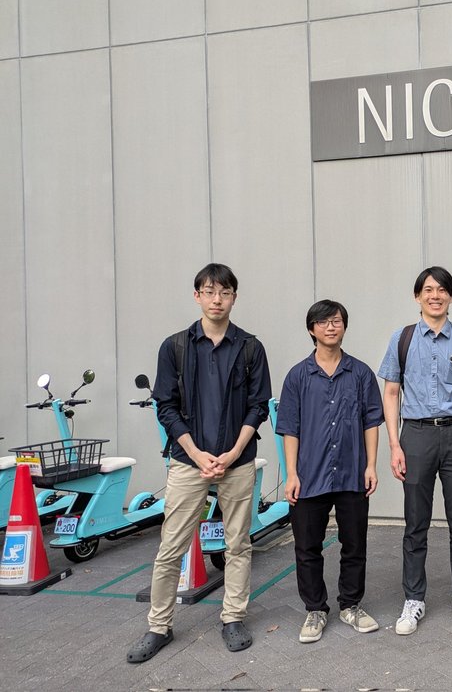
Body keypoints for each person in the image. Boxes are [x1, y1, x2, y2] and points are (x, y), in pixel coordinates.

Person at [127, 263, 272, 663]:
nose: (216, 300)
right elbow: (166, 407)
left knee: (238, 544)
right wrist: (195, 453)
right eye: (209, 292)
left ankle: (233, 617)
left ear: (234, 298)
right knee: (170, 547)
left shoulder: (250, 348)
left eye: (224, 293)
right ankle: (158, 626)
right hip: (187, 463)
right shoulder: (174, 347)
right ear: (197, 296)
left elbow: (259, 406)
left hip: (237, 461)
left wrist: (230, 453)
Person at [378, 266, 452, 635]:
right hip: (417, 437)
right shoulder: (403, 338)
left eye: (442, 289)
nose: (435, 295)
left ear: (451, 297)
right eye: (428, 289)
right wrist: (395, 444)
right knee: (415, 524)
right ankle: (414, 599)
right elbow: (391, 393)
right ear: (417, 297)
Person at [276, 300, 385, 644]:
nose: (331, 327)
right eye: (323, 322)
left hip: (352, 473)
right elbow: (289, 428)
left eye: (336, 321)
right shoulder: (297, 376)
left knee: (355, 544)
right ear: (312, 329)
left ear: (344, 327)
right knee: (308, 546)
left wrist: (370, 465)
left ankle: (351, 605)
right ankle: (315, 609)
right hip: (309, 476)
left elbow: (372, 422)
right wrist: (291, 474)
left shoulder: (361, 374)